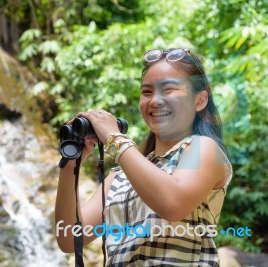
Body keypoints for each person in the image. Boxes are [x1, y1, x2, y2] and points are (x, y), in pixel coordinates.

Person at [54, 48, 232, 266]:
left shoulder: (201, 147)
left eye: (169, 90)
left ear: (200, 100)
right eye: (147, 92)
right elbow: (69, 239)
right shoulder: (119, 177)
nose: (155, 101)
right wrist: (71, 162)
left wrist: (113, 138)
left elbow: (172, 203)